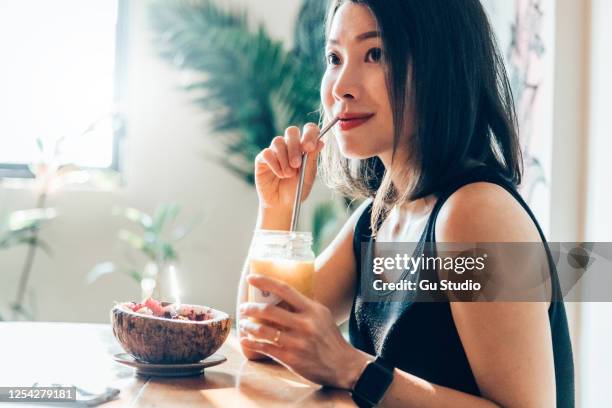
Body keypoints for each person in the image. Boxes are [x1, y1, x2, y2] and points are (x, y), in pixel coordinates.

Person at [236, 1, 574, 407]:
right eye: (334, 57)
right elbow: (264, 336)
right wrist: (276, 208)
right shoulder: (380, 217)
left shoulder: (475, 214)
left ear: (440, 67)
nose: (341, 85)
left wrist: (353, 368)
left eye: (376, 54)